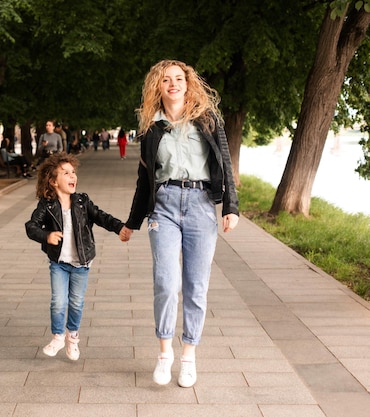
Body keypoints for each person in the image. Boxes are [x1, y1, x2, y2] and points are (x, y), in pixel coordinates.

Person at [120, 59, 239, 388]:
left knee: (196, 287)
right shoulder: (151, 128)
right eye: (166, 80)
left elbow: (225, 164)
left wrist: (231, 206)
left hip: (201, 205)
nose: (173, 84)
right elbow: (145, 180)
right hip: (165, 207)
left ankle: (188, 357)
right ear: (158, 87)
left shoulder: (207, 119)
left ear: (188, 84)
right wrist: (132, 222)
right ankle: (164, 354)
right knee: (166, 282)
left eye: (178, 78)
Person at [25, 153, 129, 361]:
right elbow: (31, 227)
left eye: (73, 172)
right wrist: (47, 236)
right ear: (53, 181)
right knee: (58, 301)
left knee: (76, 302)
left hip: (81, 263)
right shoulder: (47, 205)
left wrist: (120, 228)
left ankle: (72, 338)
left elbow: (101, 217)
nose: (72, 176)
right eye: (66, 173)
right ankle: (57, 337)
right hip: (59, 264)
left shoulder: (82, 201)